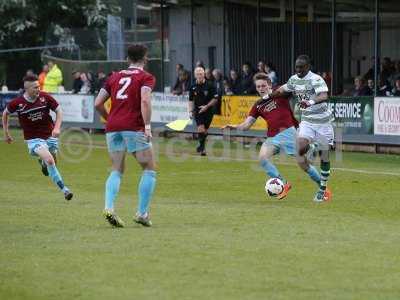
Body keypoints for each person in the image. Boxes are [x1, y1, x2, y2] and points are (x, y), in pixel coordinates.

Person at [224, 73, 317, 199]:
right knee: (262, 158)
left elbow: (293, 86)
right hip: (272, 137)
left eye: (263, 85)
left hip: (288, 132)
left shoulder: (280, 93)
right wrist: (234, 127)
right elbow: (246, 125)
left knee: (303, 164)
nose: (261, 88)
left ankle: (322, 185)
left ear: (269, 85)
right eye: (258, 87)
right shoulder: (258, 105)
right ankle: (283, 184)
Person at [95, 44, 157, 228]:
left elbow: (98, 103)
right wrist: (147, 126)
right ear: (145, 58)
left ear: (127, 59)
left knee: (116, 169)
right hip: (134, 127)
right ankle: (142, 213)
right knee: (149, 169)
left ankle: (109, 208)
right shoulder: (146, 77)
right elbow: (145, 100)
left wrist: (110, 120)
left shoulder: (114, 77)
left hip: (113, 128)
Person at [270, 54, 333, 202]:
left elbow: (324, 95)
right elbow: (282, 90)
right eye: (296, 67)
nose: (298, 69)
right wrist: (268, 96)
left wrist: (310, 102)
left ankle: (322, 190)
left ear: (308, 67)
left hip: (323, 122)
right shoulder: (294, 79)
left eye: (301, 67)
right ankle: (313, 147)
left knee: (325, 155)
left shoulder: (316, 79)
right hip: (307, 121)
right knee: (300, 149)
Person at [2, 75, 73, 200]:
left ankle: (43, 163)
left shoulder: (44, 97)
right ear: (27, 89)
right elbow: (5, 113)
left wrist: (57, 127)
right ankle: (65, 190)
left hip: (50, 136)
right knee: (50, 160)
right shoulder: (18, 103)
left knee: (53, 161)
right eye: (35, 87)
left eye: (39, 86)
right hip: (34, 139)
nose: (38, 89)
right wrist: (6, 133)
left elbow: (59, 110)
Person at [188, 67, 220, 156]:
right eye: (197, 74)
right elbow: (190, 100)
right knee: (200, 128)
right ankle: (203, 150)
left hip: (209, 111)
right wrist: (190, 111)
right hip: (198, 111)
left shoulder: (210, 85)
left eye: (201, 74)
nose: (199, 76)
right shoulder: (192, 86)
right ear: (195, 75)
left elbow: (215, 99)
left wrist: (206, 106)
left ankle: (200, 144)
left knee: (205, 131)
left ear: (204, 75)